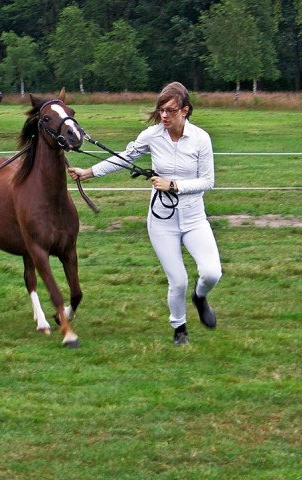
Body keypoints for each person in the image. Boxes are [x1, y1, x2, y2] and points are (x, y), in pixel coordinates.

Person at [69, 81, 222, 345]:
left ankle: (200, 297)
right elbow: (124, 158)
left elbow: (207, 181)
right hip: (162, 222)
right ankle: (179, 328)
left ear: (185, 111)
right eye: (161, 110)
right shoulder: (152, 135)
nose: (164, 115)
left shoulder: (200, 139)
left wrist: (174, 185)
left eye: (171, 110)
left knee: (211, 273)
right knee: (178, 280)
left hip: (195, 219)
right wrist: (89, 172)